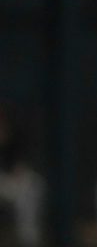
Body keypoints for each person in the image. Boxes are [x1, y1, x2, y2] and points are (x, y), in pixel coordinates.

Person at [0, 102, 45, 246]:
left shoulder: (15, 137)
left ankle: (28, 239)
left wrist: (19, 174)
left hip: (11, 183)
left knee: (33, 186)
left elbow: (21, 166)